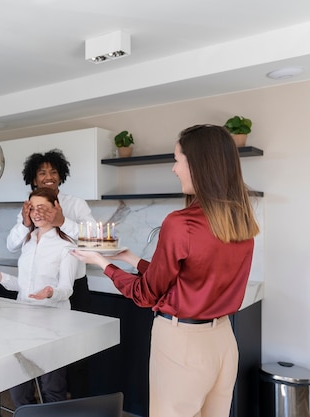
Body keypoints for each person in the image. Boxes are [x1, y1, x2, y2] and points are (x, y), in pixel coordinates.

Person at [72, 125, 260, 417]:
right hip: (223, 342)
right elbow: (189, 278)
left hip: (182, 343)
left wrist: (102, 263)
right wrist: (133, 260)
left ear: (199, 164)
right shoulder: (240, 221)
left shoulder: (181, 222)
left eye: (178, 160)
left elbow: (146, 295)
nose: (174, 169)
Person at [0, 187, 78, 407]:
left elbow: (67, 289)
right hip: (23, 322)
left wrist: (50, 292)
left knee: (52, 389)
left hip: (53, 325)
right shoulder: (27, 242)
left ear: (55, 209)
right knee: (18, 387)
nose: (37, 213)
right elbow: (22, 287)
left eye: (42, 208)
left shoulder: (66, 245)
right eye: (32, 208)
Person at [5, 148, 95, 398]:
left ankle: (76, 408)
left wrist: (62, 221)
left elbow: (95, 239)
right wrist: (24, 223)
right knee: (35, 357)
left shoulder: (76, 204)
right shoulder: (30, 208)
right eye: (42, 172)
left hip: (72, 288)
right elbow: (12, 245)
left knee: (77, 355)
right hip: (35, 295)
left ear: (61, 176)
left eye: (53, 171)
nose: (48, 176)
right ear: (33, 179)